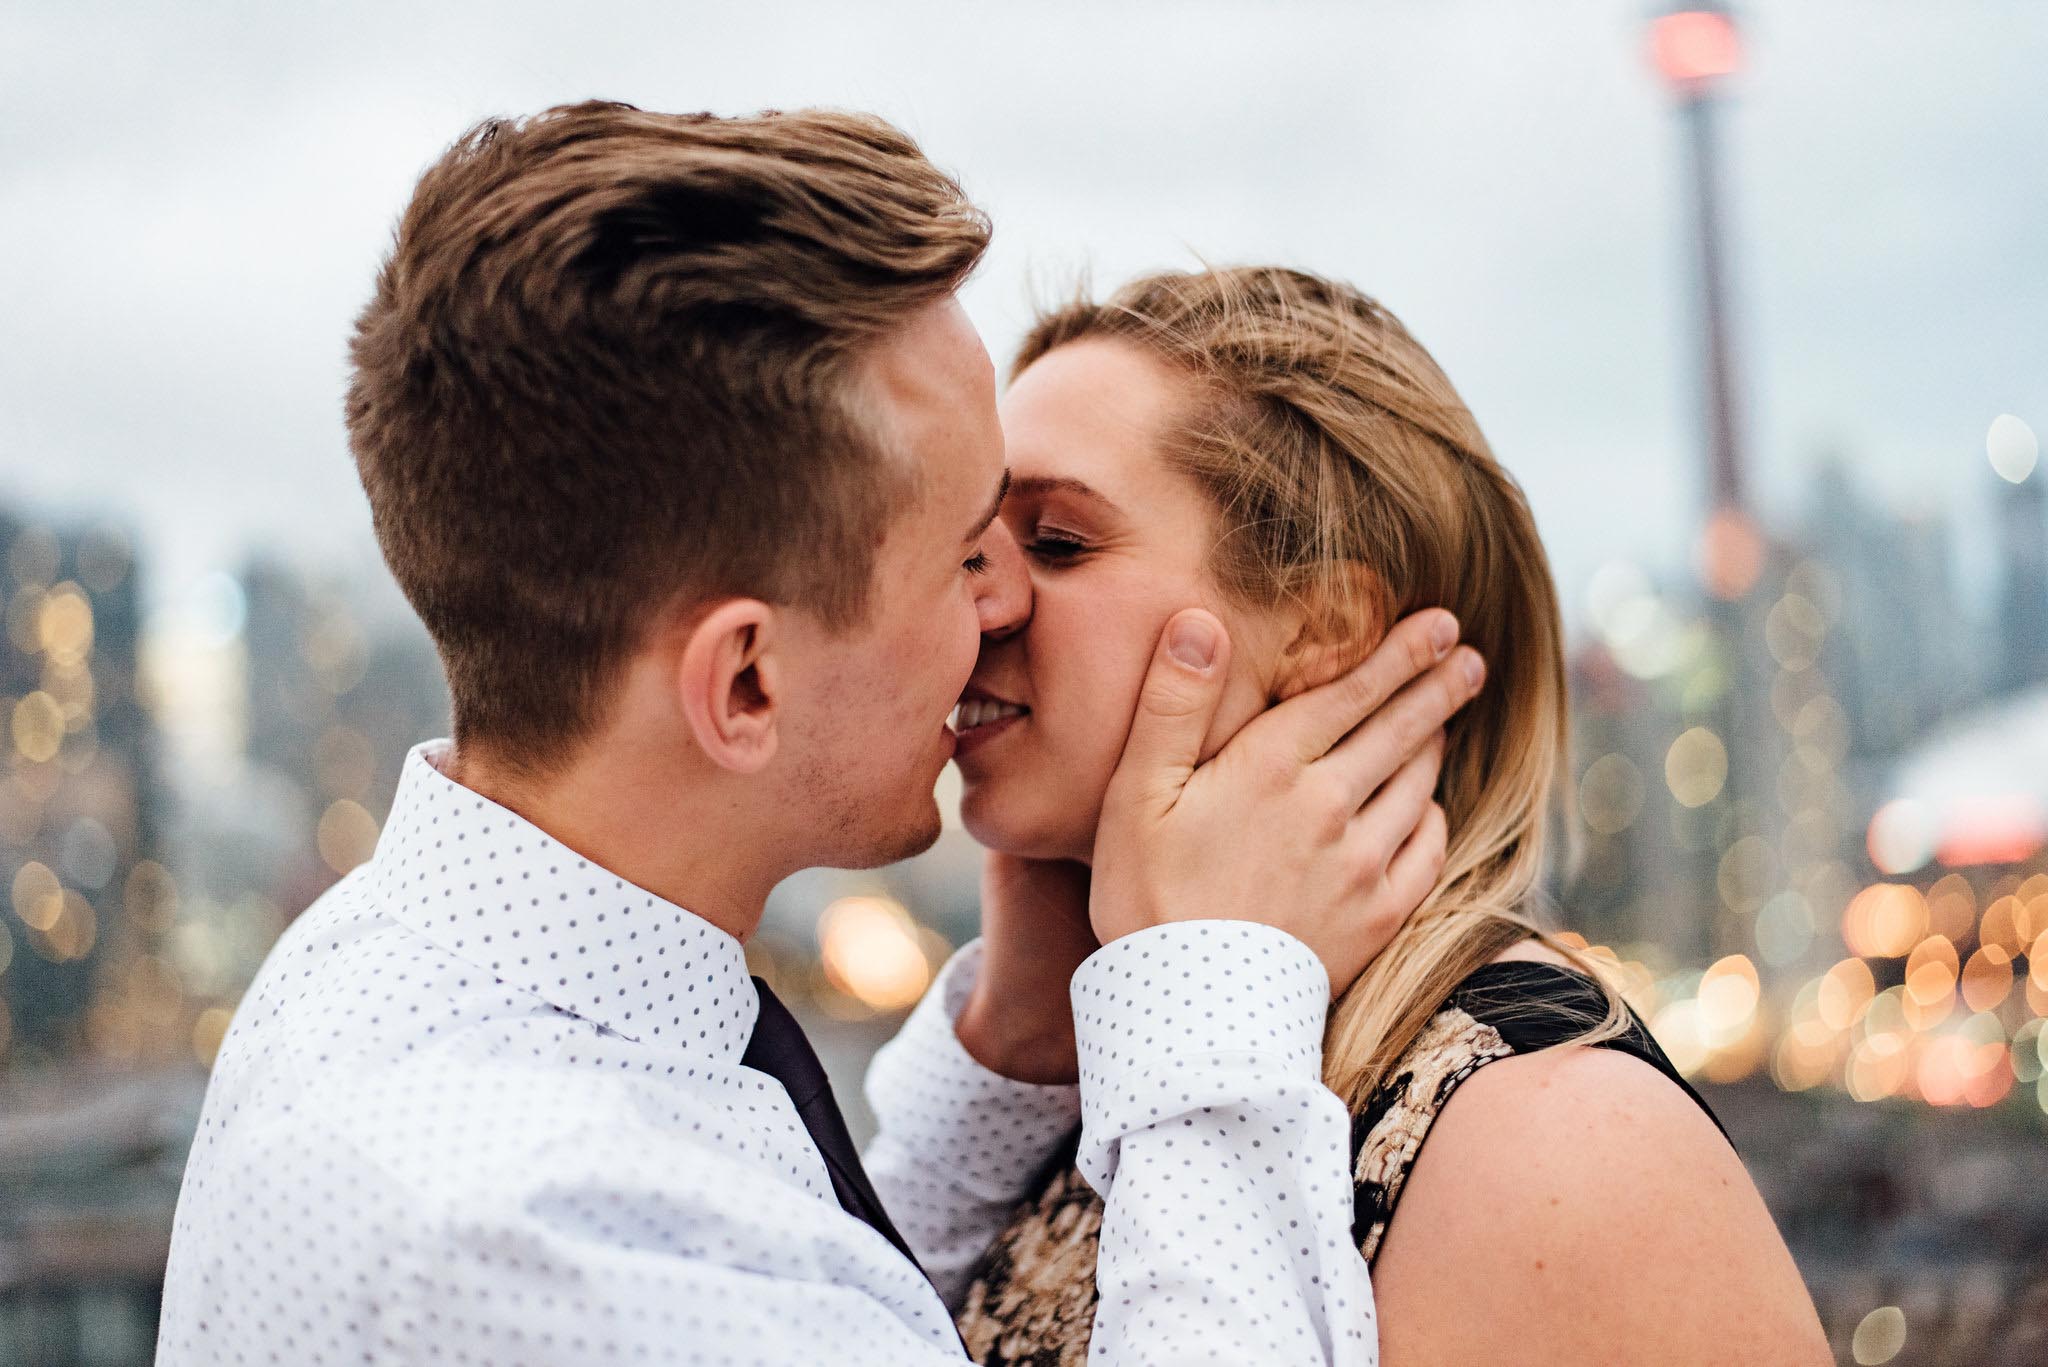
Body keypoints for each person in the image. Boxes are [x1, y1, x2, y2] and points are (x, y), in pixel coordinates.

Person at [155, 104, 1484, 1365]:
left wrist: (1008, 1057)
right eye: (968, 552)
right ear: (743, 683)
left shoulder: (407, 971)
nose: (1004, 599)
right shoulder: (527, 1229)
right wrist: (1210, 999)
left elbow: (795, 1279)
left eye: (1051, 538)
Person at [886, 266, 1832, 1365]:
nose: (981, 598)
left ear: (1323, 627)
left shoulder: (1556, 1138)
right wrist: (1014, 1046)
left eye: (1054, 541)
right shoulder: (1125, 1066)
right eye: (973, 542)